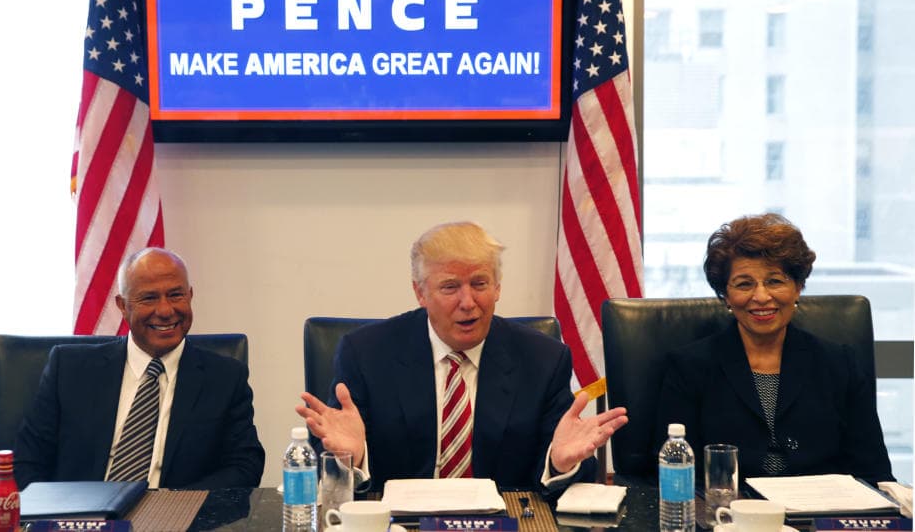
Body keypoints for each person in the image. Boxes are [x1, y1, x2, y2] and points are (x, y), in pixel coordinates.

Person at [296, 221, 628, 493]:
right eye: (450, 287)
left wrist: (559, 463)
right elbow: (336, 484)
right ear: (420, 292)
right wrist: (349, 460)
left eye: (480, 283)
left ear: (498, 288)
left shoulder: (543, 359)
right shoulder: (366, 354)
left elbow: (562, 466)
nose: (468, 302)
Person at [656, 213, 894, 485]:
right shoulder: (689, 367)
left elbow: (874, 473)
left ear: (798, 287)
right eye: (744, 284)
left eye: (775, 281)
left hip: (821, 517)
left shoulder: (839, 364)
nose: (761, 297)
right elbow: (672, 473)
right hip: (730, 516)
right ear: (725, 296)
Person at [15, 247, 266, 489]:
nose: (166, 311)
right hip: (81, 519)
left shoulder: (224, 377)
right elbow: (27, 463)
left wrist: (177, 507)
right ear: (122, 306)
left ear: (190, 295)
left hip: (175, 521)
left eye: (176, 295)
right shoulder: (69, 369)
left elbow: (245, 466)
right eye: (149, 298)